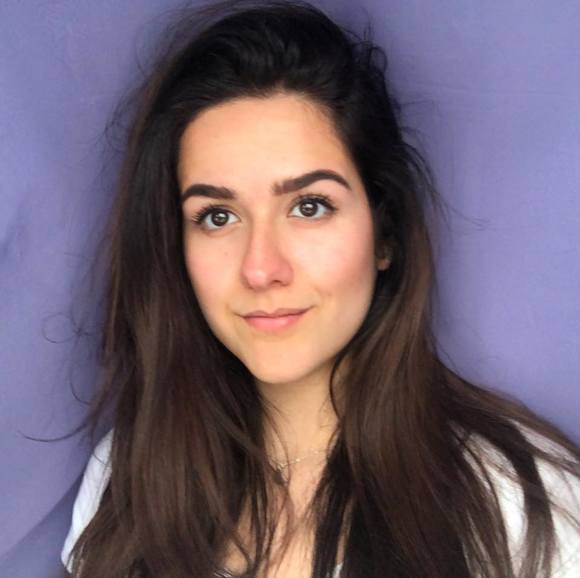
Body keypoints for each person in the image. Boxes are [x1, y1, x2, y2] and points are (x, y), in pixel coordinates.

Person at [59, 0, 580, 577]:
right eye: (217, 216)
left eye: (309, 207)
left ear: (384, 234)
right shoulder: (127, 480)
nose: (261, 268)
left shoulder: (527, 507)